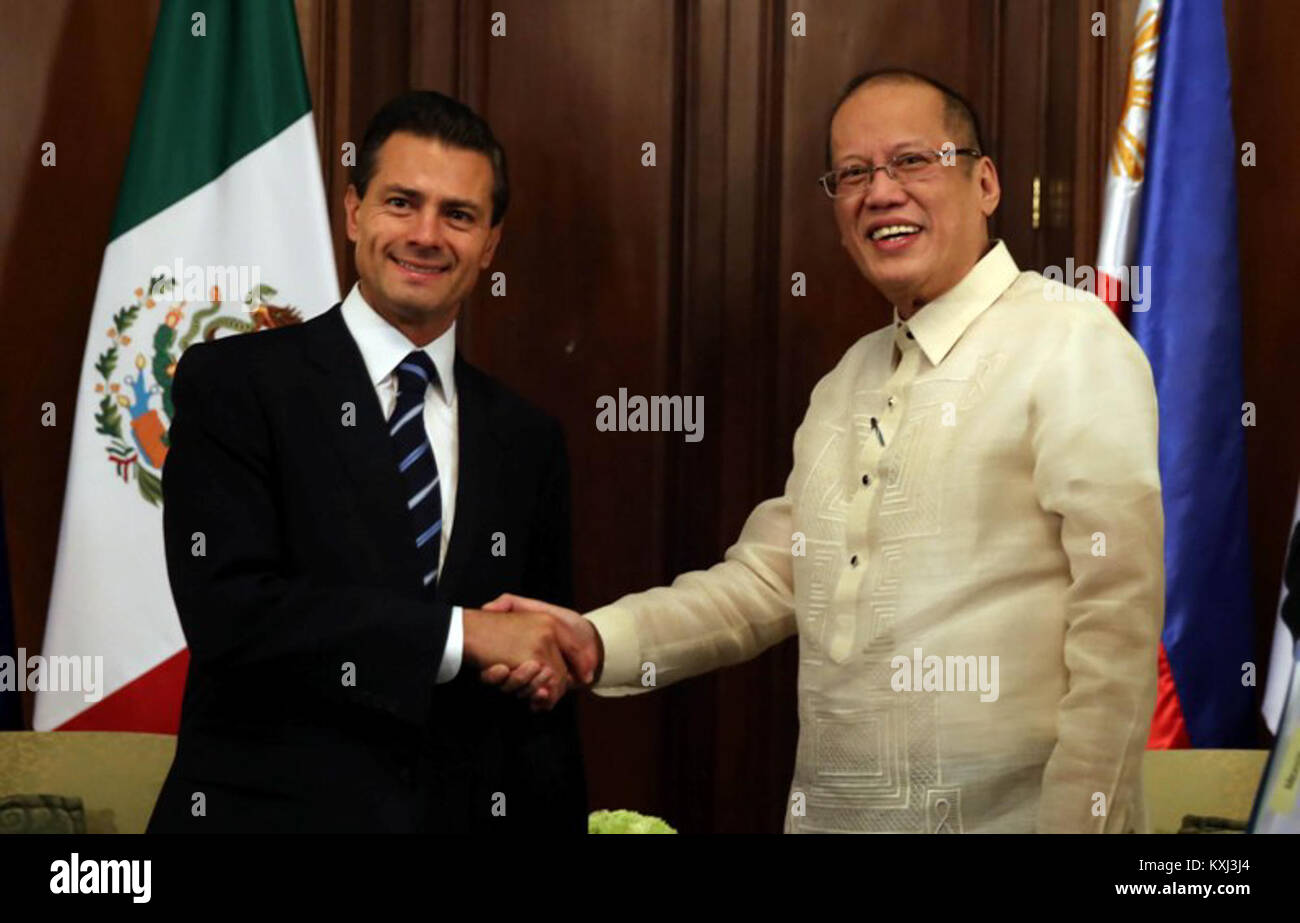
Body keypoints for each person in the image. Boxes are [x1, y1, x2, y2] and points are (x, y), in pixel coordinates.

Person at [485, 69, 1164, 834]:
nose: (881, 191)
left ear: (985, 183)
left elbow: (1119, 620)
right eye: (852, 173)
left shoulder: (1070, 340)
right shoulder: (847, 381)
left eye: (913, 160)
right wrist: (593, 639)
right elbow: (767, 580)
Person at [148, 91, 587, 833]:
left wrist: (539, 669)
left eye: (458, 214)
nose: (425, 234)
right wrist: (460, 634)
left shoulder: (527, 437)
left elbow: (534, 667)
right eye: (401, 202)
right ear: (353, 212)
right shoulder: (234, 383)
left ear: (491, 245)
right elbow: (232, 614)